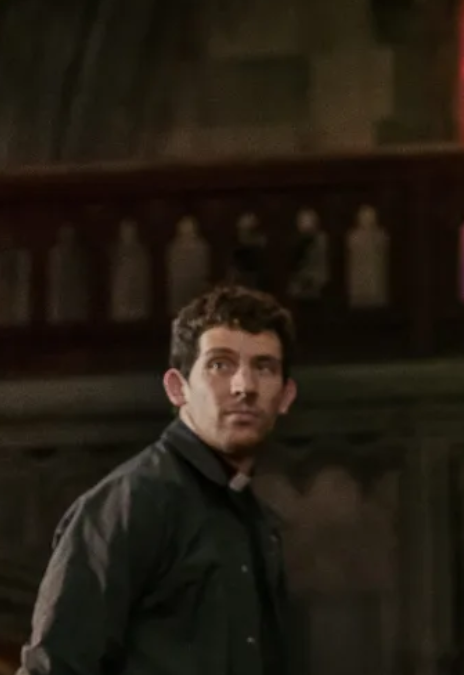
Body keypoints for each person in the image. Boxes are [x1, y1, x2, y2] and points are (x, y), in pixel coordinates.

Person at [19, 285, 299, 675]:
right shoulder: (131, 501)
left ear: (286, 396)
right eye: (220, 365)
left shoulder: (257, 520)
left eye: (264, 367)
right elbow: (55, 668)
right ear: (177, 388)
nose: (244, 386)